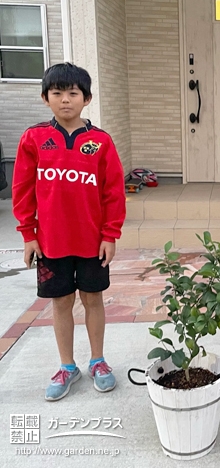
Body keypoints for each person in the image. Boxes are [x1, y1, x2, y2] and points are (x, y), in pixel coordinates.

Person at [12, 63, 126, 401]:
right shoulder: (34, 138)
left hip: (92, 242)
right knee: (61, 302)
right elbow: (22, 190)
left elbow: (113, 192)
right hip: (51, 243)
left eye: (73, 93)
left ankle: (98, 361)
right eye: (57, 93)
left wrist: (110, 234)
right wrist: (28, 235)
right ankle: (67, 366)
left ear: (86, 99)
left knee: (93, 299)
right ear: (45, 98)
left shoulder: (100, 142)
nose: (65, 100)